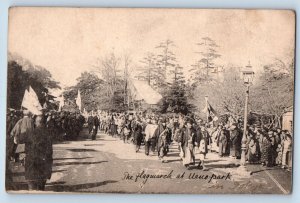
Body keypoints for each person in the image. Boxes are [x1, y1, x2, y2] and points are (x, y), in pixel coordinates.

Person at [24, 114, 53, 191]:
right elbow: (49, 151)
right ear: (44, 123)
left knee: (31, 186)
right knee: (41, 188)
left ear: (36, 123)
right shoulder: (48, 133)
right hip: (42, 164)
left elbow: (26, 149)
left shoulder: (29, 132)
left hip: (31, 163)